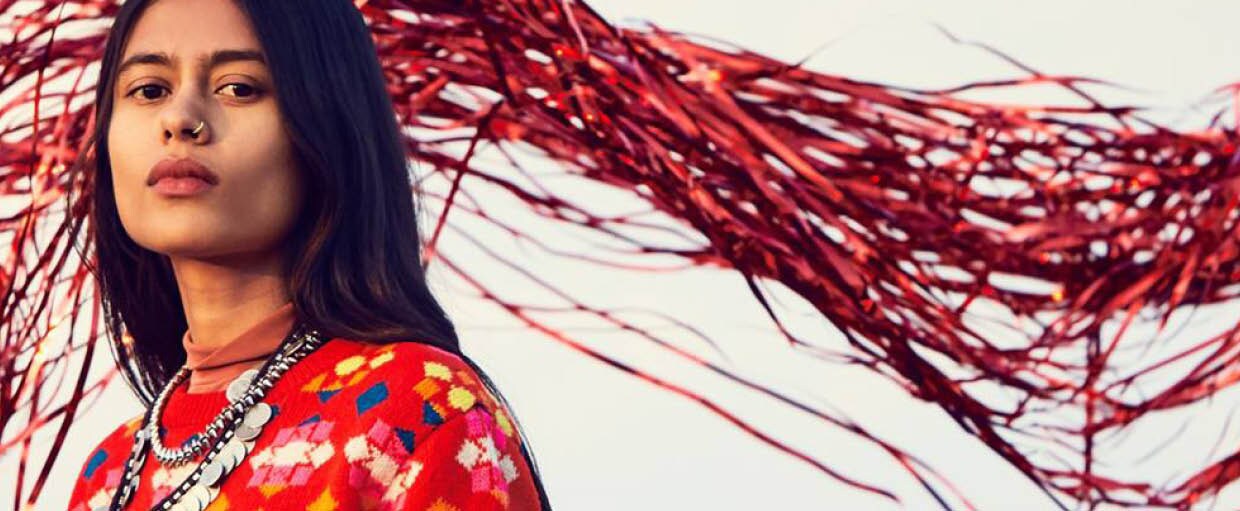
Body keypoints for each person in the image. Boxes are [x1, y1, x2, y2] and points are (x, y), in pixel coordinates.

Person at [65, 0, 551, 509]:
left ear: (329, 125)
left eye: (240, 88)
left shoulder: (417, 411)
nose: (180, 119)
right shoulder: (109, 474)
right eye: (149, 90)